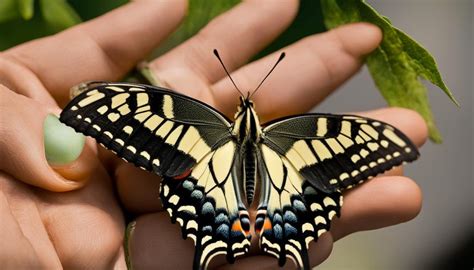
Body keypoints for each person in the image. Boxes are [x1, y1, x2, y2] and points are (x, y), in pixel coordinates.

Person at [0, 1, 427, 269]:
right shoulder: (306, 134)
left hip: (213, 187)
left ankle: (236, 231)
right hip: (276, 189)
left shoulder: (192, 120)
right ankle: (267, 232)